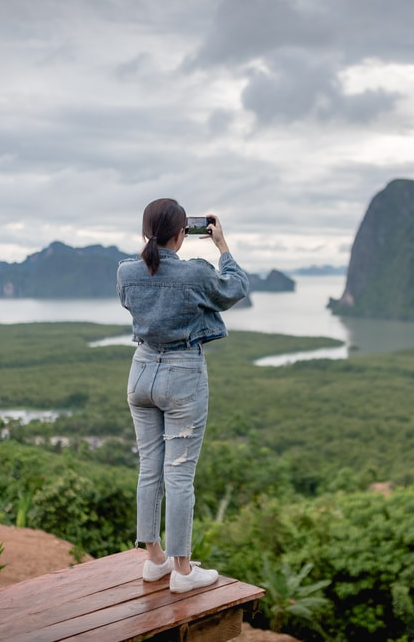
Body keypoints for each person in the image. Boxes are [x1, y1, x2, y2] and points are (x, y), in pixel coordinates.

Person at [116, 198, 249, 593]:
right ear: (182, 233)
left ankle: (154, 560)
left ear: (145, 232)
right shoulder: (195, 274)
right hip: (182, 375)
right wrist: (222, 246)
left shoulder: (124, 272)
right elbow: (236, 288)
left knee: (149, 468)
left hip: (140, 372)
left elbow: (134, 304)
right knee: (179, 474)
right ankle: (183, 571)